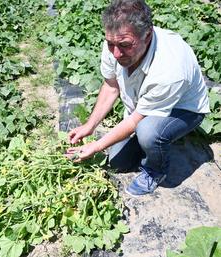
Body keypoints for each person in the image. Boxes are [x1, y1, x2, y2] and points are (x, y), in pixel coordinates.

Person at [65, 0, 209, 196]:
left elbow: (137, 119)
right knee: (118, 163)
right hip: (142, 106)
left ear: (147, 35)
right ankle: (154, 141)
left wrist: (97, 145)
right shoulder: (116, 41)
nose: (116, 53)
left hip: (184, 110)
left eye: (124, 45)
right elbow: (111, 86)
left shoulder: (171, 69)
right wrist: (89, 127)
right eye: (110, 44)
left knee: (148, 131)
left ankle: (156, 170)